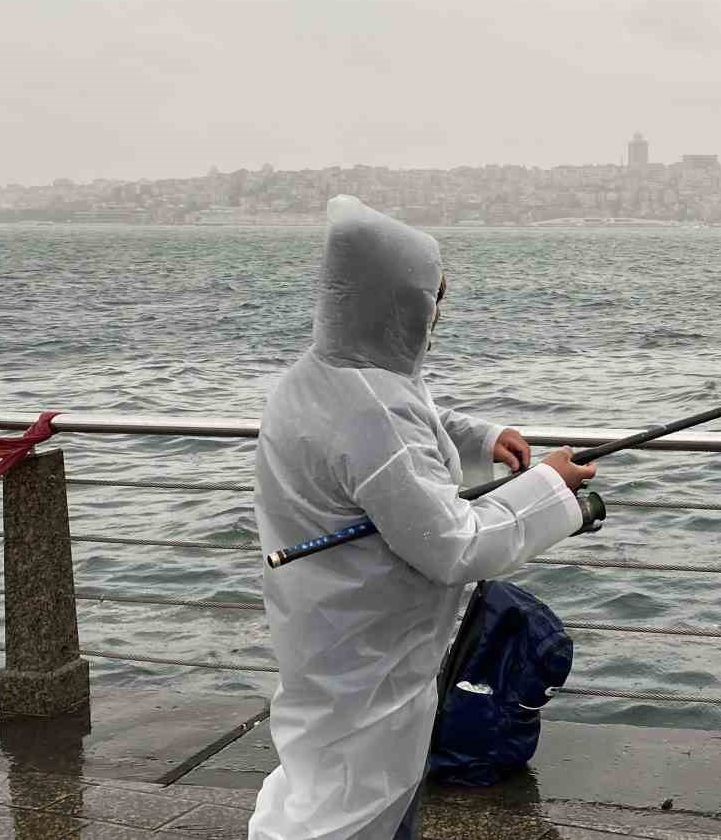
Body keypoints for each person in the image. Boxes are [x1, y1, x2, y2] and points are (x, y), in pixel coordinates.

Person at [249, 195, 598, 839]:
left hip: (327, 625)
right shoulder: (369, 409)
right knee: (353, 795)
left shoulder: (321, 377)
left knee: (325, 774)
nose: (437, 315)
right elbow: (452, 544)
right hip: (368, 647)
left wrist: (480, 439)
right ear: (394, 303)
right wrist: (553, 488)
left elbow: (411, 425)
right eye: (432, 299)